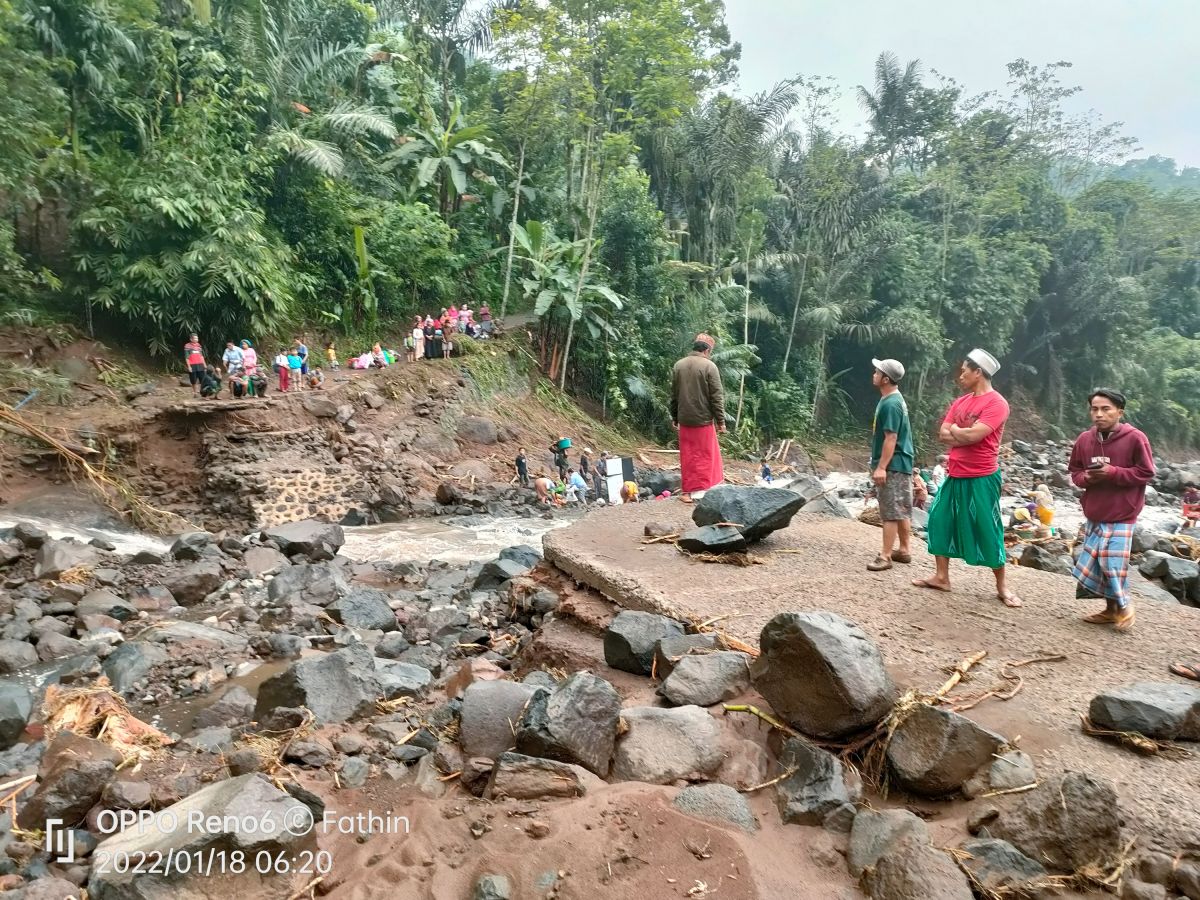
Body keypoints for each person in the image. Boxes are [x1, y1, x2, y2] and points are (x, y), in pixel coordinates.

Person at [913, 349, 1022, 607]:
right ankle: (942, 577)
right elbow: (944, 434)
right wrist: (964, 432)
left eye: (964, 370)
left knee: (988, 526)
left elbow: (975, 436)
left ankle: (1002, 587)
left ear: (978, 372)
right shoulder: (960, 402)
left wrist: (959, 432)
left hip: (982, 476)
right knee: (938, 519)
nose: (960, 375)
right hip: (956, 473)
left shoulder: (997, 404)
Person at [1067, 388, 1155, 632]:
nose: (1099, 414)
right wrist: (1087, 478)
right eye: (1094, 409)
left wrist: (1114, 472)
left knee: (1112, 561)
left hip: (1123, 512)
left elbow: (1147, 472)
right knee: (1098, 563)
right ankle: (1110, 610)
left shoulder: (1136, 438)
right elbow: (1074, 471)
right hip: (1095, 510)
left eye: (1106, 409)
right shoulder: (1085, 439)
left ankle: (1125, 606)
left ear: (1119, 412)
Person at [867, 357, 915, 571]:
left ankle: (885, 556)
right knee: (900, 507)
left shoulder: (891, 403)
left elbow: (891, 437)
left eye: (877, 372)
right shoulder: (892, 399)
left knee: (890, 511)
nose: (874, 374)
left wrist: (881, 467)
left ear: (886, 379)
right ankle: (904, 550)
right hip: (900, 462)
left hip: (893, 463)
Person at [670, 333, 725, 503]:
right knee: (707, 456)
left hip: (685, 419)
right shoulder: (709, 366)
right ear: (707, 350)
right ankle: (707, 490)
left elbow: (674, 394)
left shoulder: (679, 365)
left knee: (688, 456)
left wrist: (675, 417)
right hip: (703, 420)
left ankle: (687, 493)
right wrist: (721, 421)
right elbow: (716, 396)